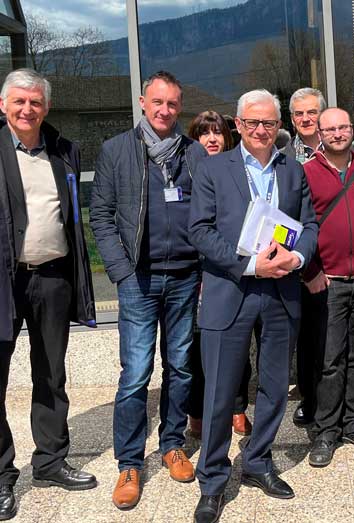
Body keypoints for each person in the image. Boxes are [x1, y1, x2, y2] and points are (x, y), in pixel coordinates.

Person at [189, 89, 318, 523]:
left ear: (277, 126)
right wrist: (249, 266)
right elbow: (201, 231)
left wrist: (297, 257)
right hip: (232, 289)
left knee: (275, 385)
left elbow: (309, 225)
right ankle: (212, 479)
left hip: (281, 291)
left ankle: (258, 462)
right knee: (220, 393)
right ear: (238, 125)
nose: (261, 130)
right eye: (252, 123)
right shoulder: (211, 169)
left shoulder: (292, 169)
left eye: (268, 123)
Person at [91, 71, 206, 509]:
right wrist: (120, 270)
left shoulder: (193, 154)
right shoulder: (116, 150)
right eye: (157, 102)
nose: (164, 111)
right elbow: (99, 216)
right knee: (136, 373)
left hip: (183, 278)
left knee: (179, 367)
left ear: (180, 107)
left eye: (172, 104)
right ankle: (129, 463)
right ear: (143, 102)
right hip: (137, 279)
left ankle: (172, 443)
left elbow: (207, 212)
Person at [0, 68, 98, 520]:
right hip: (3, 279)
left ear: (47, 107)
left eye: (35, 102)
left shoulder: (64, 151)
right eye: (18, 101)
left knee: (51, 375)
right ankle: (2, 475)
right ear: (3, 105)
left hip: (53, 278)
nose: (27, 109)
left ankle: (51, 461)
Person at [303, 107, 354, 467]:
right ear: (319, 134)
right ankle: (326, 431)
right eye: (330, 129)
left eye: (343, 127)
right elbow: (291, 227)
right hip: (329, 283)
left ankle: (353, 422)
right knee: (330, 360)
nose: (337, 134)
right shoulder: (305, 173)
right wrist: (309, 272)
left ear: (352, 129)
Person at [184, 110, 252, 438]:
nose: (212, 139)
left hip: (234, 266)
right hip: (194, 270)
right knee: (199, 346)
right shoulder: (186, 172)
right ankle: (197, 413)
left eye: (218, 133)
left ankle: (238, 408)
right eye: (204, 133)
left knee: (239, 341)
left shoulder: (237, 171)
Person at [283, 87, 327, 426]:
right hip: (300, 261)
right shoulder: (283, 155)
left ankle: (337, 403)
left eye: (311, 112)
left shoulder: (342, 147)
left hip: (338, 257)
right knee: (307, 338)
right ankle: (311, 401)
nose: (305, 119)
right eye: (299, 114)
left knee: (334, 337)